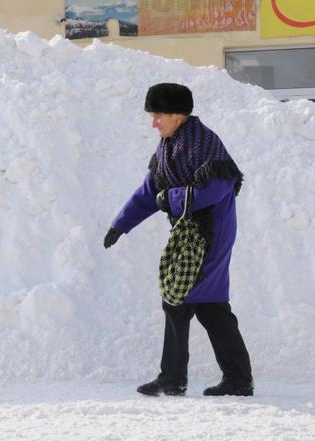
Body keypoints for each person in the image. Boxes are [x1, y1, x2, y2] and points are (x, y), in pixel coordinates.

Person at [103, 83, 253, 397]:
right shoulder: (168, 148)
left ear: (178, 114)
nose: (153, 123)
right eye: (152, 116)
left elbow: (214, 191)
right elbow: (149, 192)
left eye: (158, 115)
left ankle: (173, 379)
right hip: (190, 234)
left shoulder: (205, 144)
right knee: (210, 307)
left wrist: (170, 199)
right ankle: (237, 379)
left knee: (178, 301)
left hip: (211, 233)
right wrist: (120, 224)